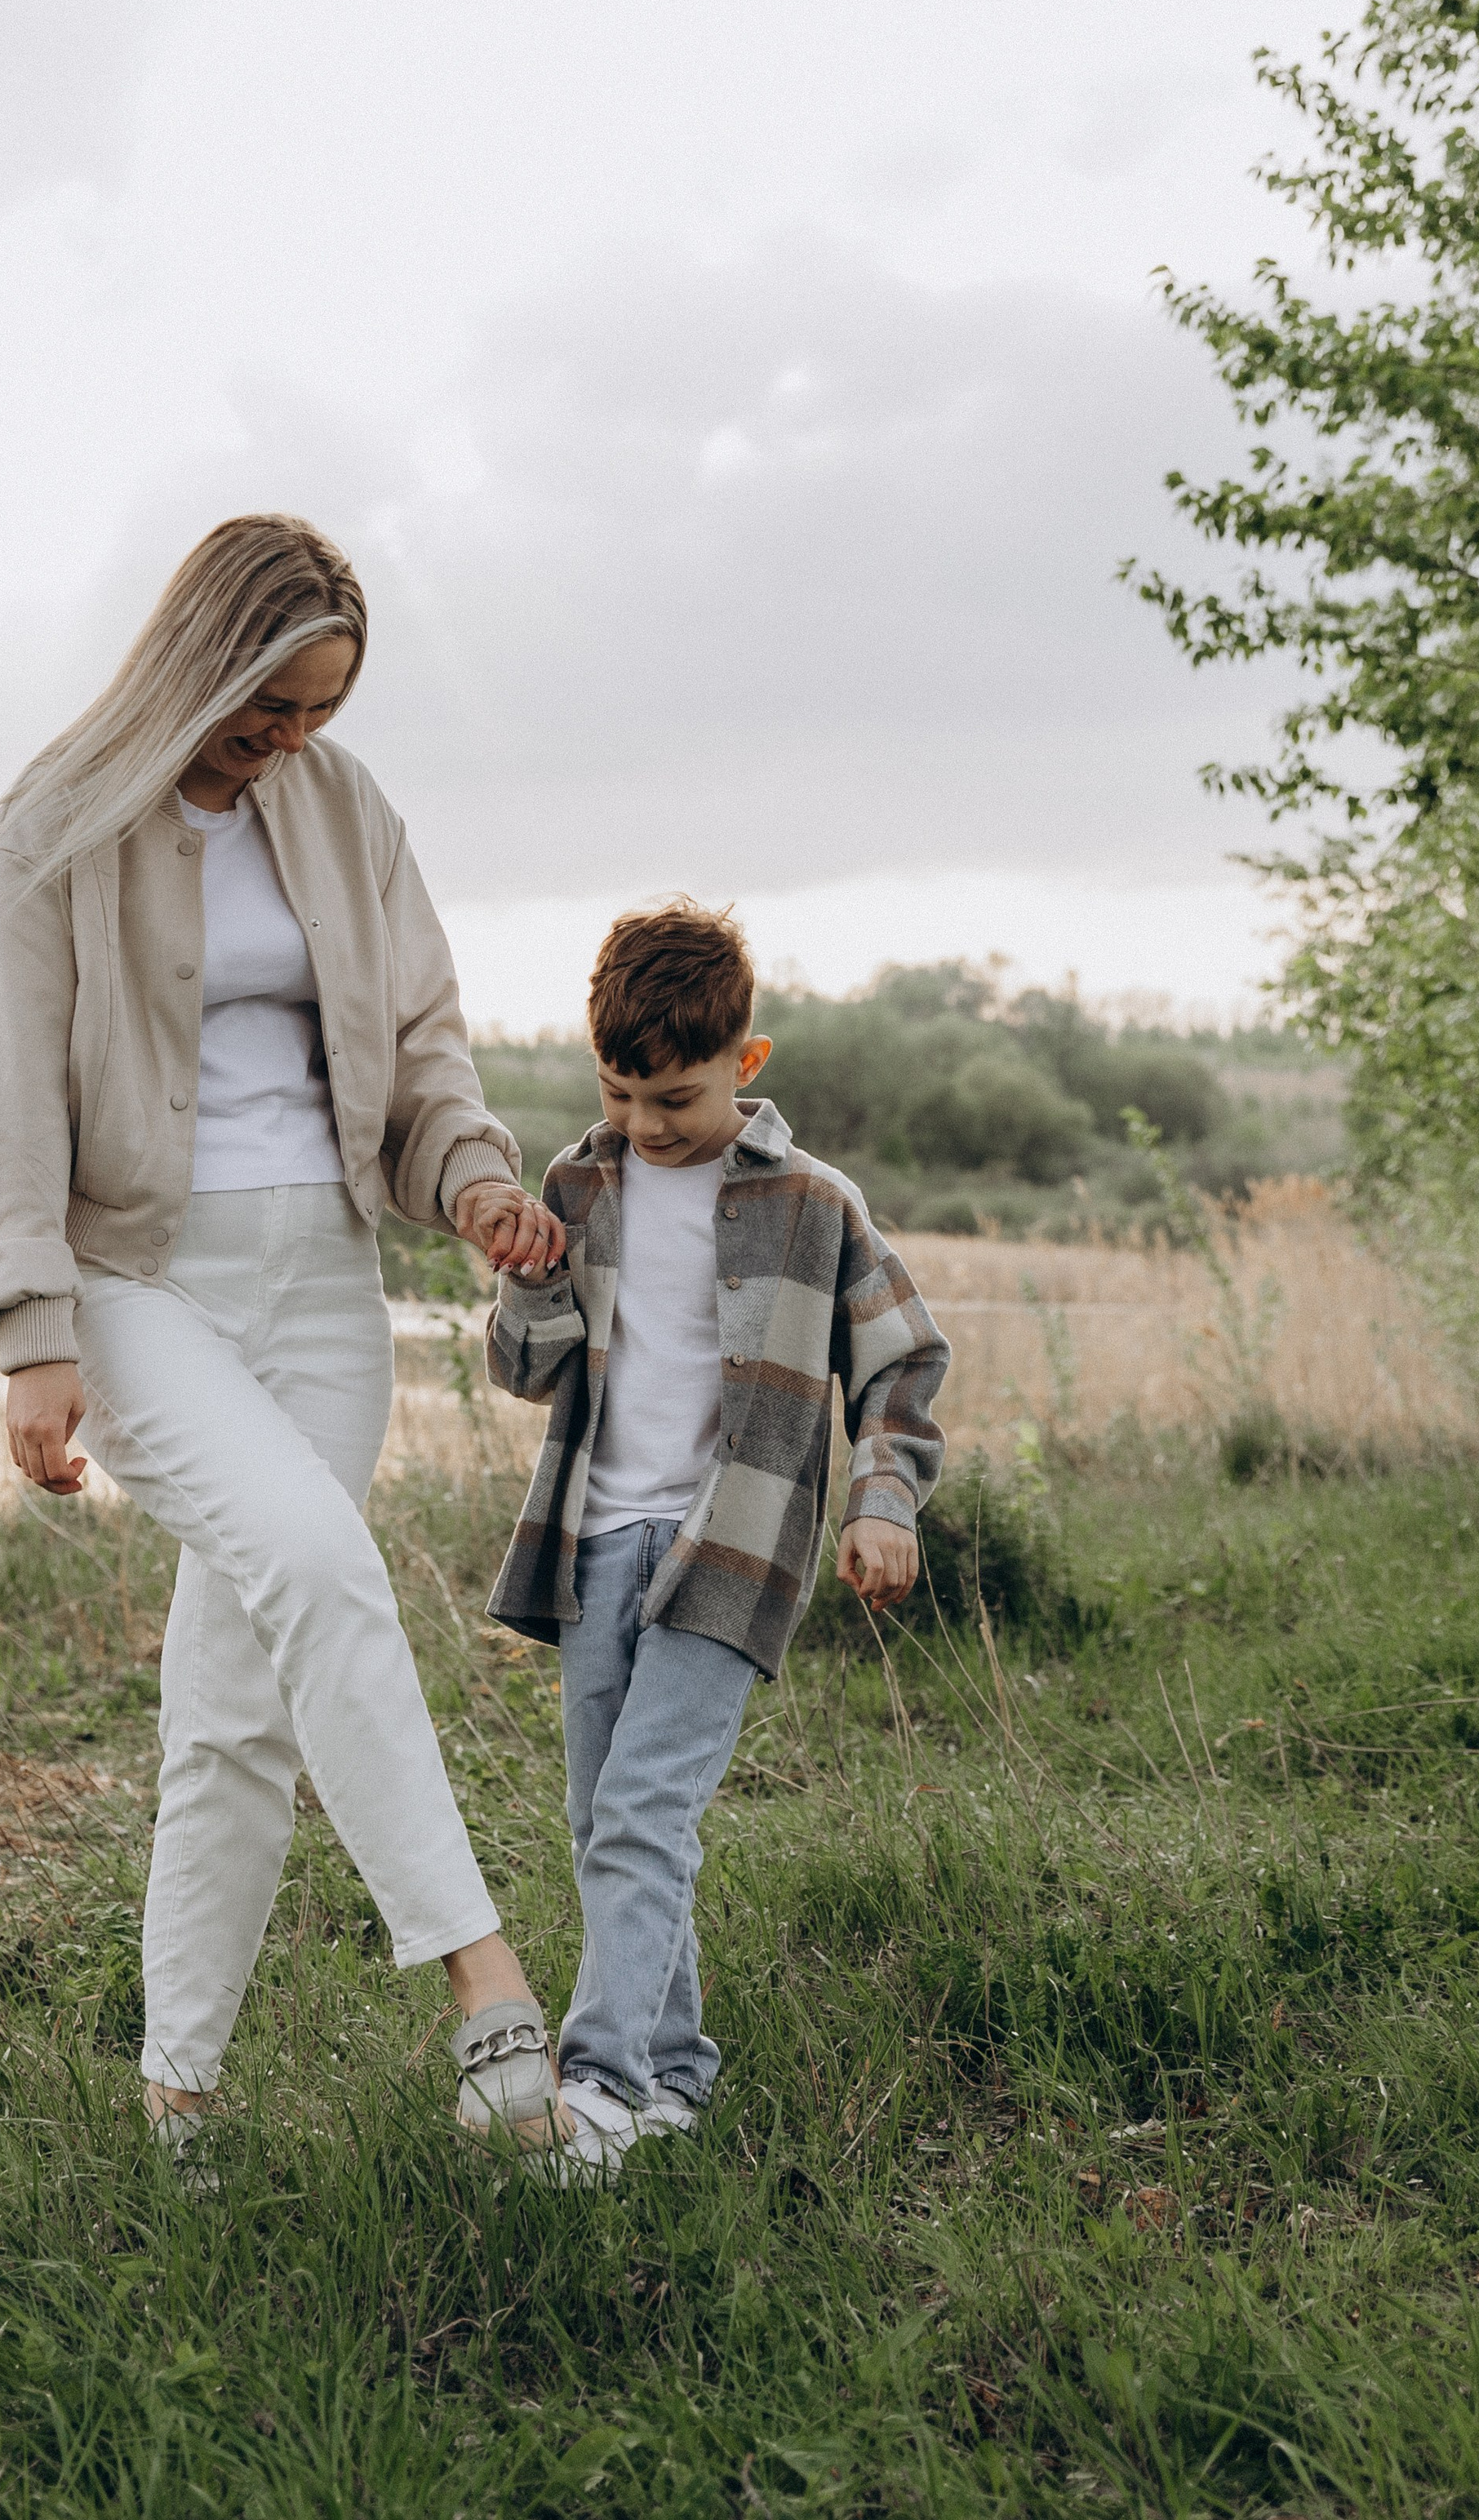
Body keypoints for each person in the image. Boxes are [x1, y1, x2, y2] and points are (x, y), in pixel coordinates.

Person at [0, 513, 572, 2172]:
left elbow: (423, 1049)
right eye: (266, 707)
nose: (286, 745)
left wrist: (479, 1185)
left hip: (323, 1290)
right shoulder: (48, 832)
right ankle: (483, 1985)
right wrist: (29, 1333)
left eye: (317, 718)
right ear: (198, 659)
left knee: (236, 1713)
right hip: (138, 1279)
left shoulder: (343, 813)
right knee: (324, 1569)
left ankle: (178, 2104)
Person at [482, 899, 950, 2176]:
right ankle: (681, 2074)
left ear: (747, 1065)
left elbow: (902, 1361)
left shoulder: (813, 1202)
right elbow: (526, 1373)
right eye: (622, 1093)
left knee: (642, 1809)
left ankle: (600, 2093)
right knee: (604, 1824)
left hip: (734, 1547)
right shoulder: (577, 1185)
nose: (645, 1125)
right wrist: (527, 1276)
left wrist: (884, 1500)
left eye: (676, 1099)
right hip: (593, 1541)